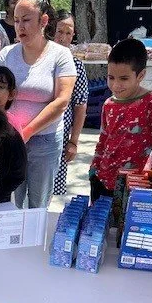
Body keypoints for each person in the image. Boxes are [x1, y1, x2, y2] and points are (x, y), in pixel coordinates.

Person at [0, 0, 76, 208]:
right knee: (10, 202)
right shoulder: (6, 55)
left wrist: (27, 131)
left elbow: (61, 102)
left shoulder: (60, 55)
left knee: (38, 204)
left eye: (26, 20)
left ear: (44, 20)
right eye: (16, 20)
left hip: (45, 141)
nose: (20, 27)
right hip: (10, 139)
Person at [89, 38, 152, 203]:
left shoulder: (151, 101)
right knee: (98, 218)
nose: (115, 85)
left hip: (134, 185)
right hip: (102, 179)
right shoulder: (108, 104)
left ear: (141, 75)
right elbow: (104, 138)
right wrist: (94, 167)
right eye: (111, 77)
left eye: (124, 78)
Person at [52, 10, 89, 195]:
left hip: (60, 137)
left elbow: (80, 106)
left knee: (49, 191)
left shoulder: (77, 67)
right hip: (33, 135)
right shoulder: (38, 61)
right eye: (60, 31)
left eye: (69, 33)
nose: (63, 38)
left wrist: (73, 142)